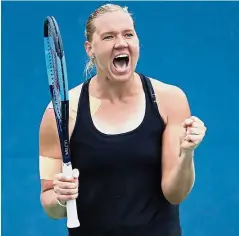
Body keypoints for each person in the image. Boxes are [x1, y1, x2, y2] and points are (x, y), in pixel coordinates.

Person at [39, 4, 207, 236]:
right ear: (90, 49)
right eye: (108, 37)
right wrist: (60, 198)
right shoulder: (59, 113)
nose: (121, 42)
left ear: (137, 42)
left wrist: (187, 153)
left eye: (128, 34)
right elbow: (50, 203)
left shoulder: (170, 100)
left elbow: (175, 193)